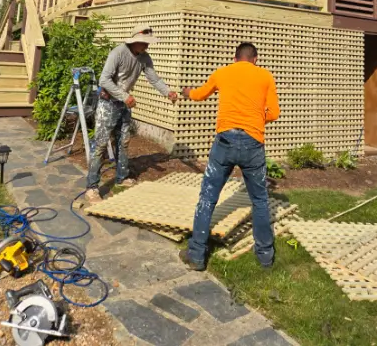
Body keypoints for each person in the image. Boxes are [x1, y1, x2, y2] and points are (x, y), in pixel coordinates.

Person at [180, 42, 280, 270]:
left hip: (224, 142)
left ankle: (196, 255)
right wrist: (256, 118)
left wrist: (187, 92)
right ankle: (265, 256)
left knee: (208, 197)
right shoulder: (265, 76)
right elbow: (274, 112)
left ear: (235, 59)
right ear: (255, 59)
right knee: (260, 200)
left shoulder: (223, 72)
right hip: (253, 144)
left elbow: (199, 95)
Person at [86, 24, 178, 201]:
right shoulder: (118, 53)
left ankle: (122, 177)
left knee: (124, 142)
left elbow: (154, 79)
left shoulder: (144, 57)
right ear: (134, 41)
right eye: (144, 42)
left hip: (124, 105)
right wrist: (124, 96)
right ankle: (92, 187)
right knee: (101, 144)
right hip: (107, 104)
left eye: (148, 42)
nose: (147, 45)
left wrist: (168, 92)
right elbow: (104, 79)